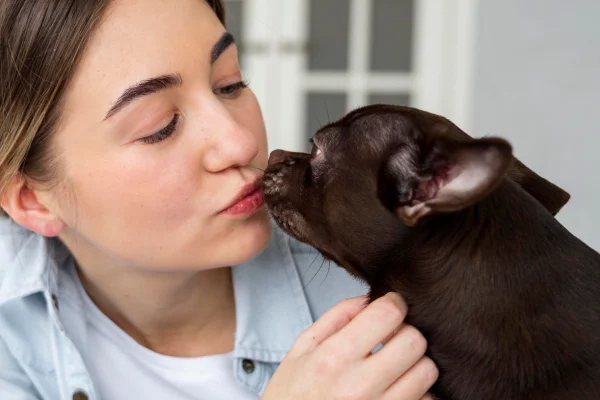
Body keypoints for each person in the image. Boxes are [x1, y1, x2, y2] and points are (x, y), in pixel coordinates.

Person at [0, 0, 439, 399]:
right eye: (161, 126)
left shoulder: (393, 292)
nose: (240, 142)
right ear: (33, 200)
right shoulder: (11, 332)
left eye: (229, 84)